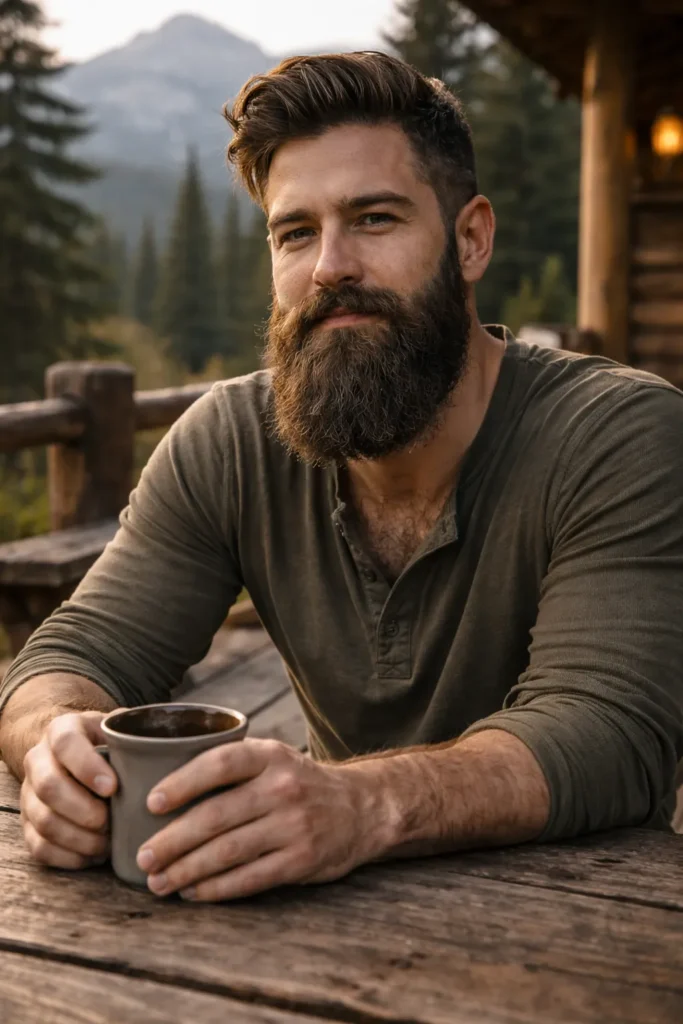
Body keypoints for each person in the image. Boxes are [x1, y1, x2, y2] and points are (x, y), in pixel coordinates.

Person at [1, 52, 683, 905]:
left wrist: (363, 803)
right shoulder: (230, 441)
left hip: (593, 922)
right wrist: (51, 741)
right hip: (323, 929)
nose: (329, 266)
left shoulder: (617, 435)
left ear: (470, 239)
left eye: (374, 218)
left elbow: (608, 728)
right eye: (295, 233)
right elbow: (74, 653)